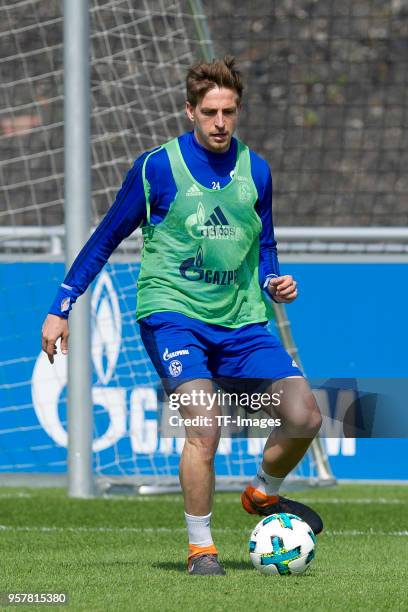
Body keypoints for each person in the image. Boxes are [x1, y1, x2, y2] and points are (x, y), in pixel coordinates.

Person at [42, 56, 323, 576]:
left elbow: (265, 246)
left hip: (241, 320)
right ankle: (202, 549)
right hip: (173, 316)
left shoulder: (256, 170)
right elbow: (105, 239)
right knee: (204, 425)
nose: (221, 122)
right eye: (211, 111)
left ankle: (263, 492)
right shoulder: (156, 169)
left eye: (230, 112)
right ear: (190, 110)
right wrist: (62, 305)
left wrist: (273, 280)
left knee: (306, 414)